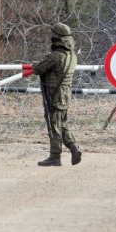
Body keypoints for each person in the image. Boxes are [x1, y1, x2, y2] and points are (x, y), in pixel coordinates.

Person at [32, 23, 82, 166]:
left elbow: (38, 69)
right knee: (61, 123)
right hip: (64, 93)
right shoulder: (71, 55)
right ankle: (73, 148)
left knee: (54, 125)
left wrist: (42, 60)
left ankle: (55, 156)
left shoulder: (57, 56)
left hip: (55, 94)